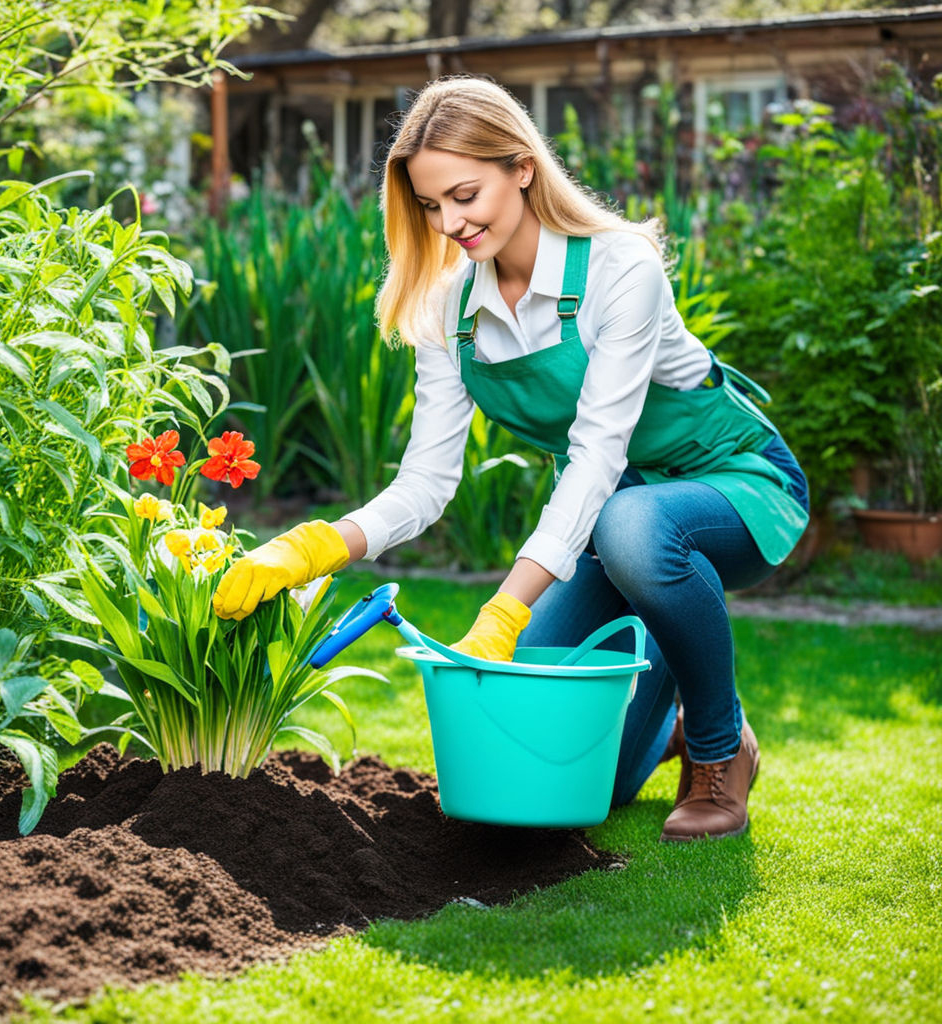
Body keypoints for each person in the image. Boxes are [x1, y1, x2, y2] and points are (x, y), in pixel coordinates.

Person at [213, 76, 810, 843]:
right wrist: (319, 544)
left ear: (522, 167)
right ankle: (663, 730)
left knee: (635, 528)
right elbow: (426, 482)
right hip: (610, 515)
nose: (451, 223)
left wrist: (507, 607)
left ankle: (718, 753)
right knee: (576, 764)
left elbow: (598, 454)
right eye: (432, 206)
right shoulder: (448, 308)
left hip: (734, 485)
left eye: (465, 195)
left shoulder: (619, 269)